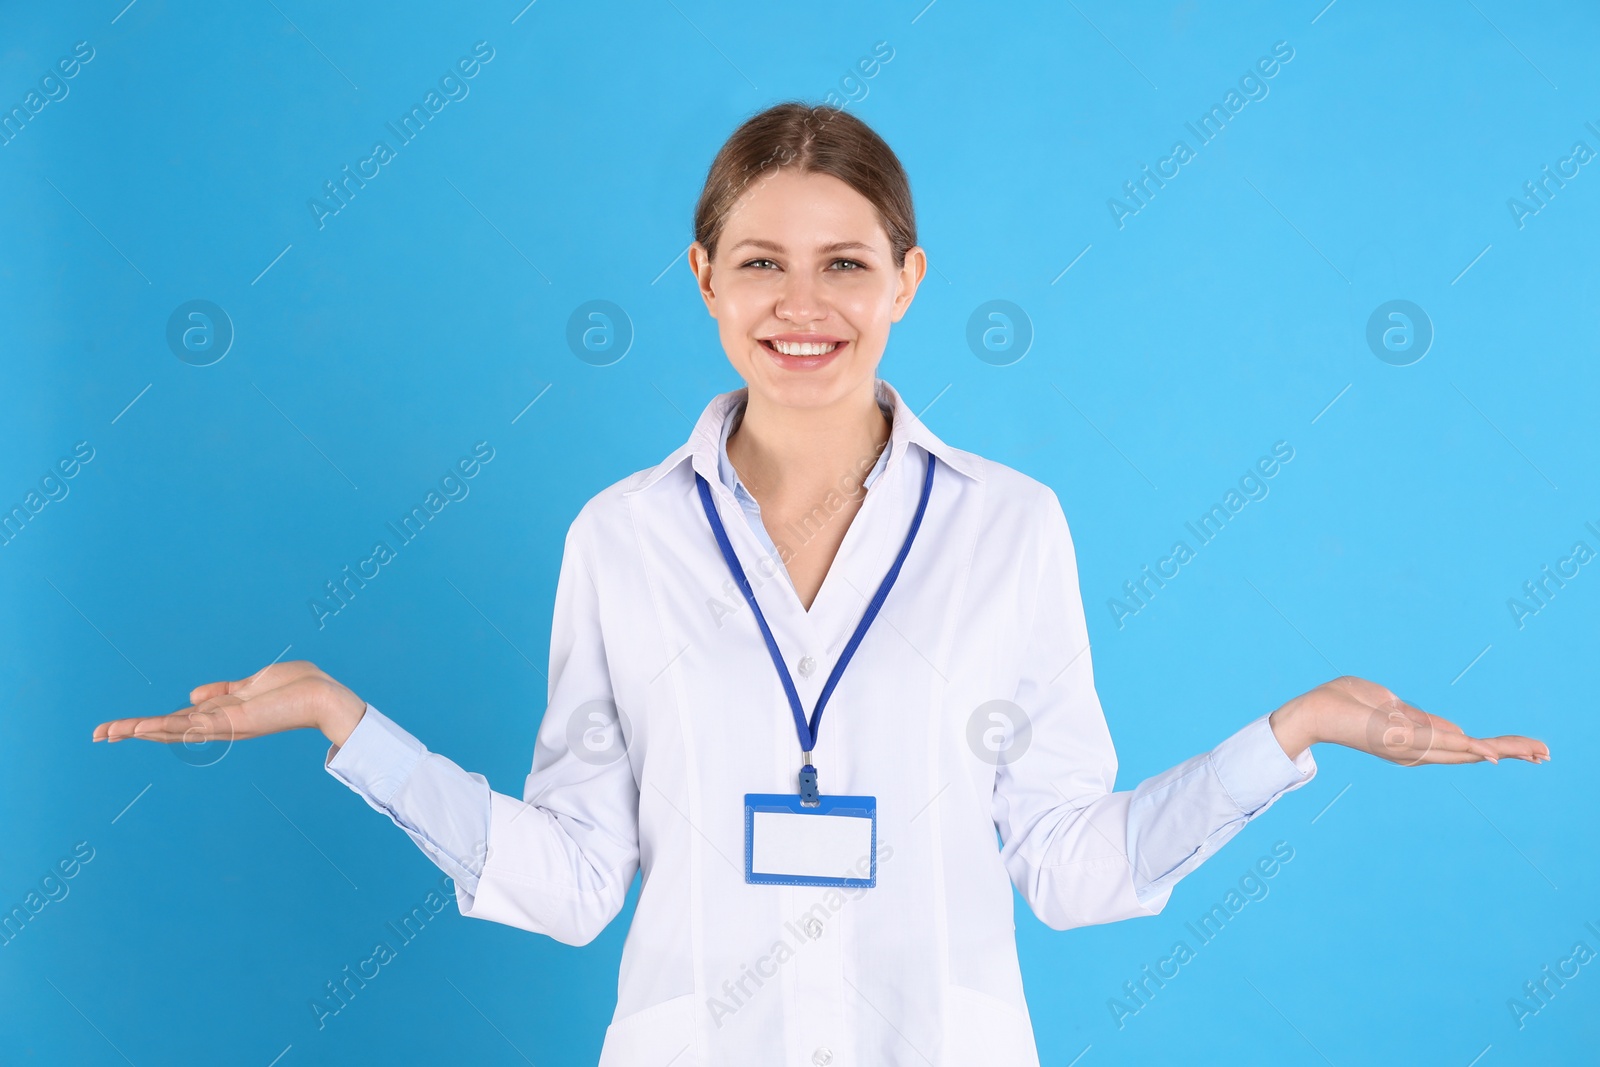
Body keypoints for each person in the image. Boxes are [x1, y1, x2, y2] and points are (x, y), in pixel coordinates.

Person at [92, 102, 1549, 1066]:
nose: (805, 305)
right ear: (703, 278)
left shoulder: (1012, 527)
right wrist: (348, 725)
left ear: (908, 278)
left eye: (846, 263)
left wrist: (1288, 738)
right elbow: (577, 884)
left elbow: (1071, 868)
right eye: (762, 263)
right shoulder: (620, 538)